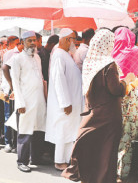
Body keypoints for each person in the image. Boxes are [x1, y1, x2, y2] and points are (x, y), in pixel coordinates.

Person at [62, 29, 135, 183]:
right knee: (107, 151)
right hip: (108, 115)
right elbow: (115, 90)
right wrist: (126, 81)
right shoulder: (108, 64)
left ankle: (88, 177)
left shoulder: (91, 61)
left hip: (93, 112)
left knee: (93, 149)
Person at [6, 31, 47, 173]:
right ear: (22, 43)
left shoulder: (37, 57)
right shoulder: (17, 59)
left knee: (38, 128)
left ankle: (35, 158)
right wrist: (20, 103)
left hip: (39, 99)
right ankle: (21, 161)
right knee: (25, 130)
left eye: (34, 40)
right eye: (29, 41)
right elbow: (15, 83)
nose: (33, 43)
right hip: (26, 101)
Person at [45, 28, 83, 171]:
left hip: (71, 102)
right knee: (62, 131)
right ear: (68, 39)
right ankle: (59, 160)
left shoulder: (66, 54)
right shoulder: (59, 55)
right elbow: (58, 79)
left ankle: (66, 160)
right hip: (65, 104)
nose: (75, 42)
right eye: (74, 39)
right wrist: (65, 102)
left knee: (69, 131)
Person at [112, 27, 138, 181]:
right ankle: (121, 173)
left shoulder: (111, 55)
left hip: (117, 100)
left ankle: (109, 171)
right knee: (127, 138)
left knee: (113, 137)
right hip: (134, 100)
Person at [0, 35, 21, 152]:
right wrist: (7, 89)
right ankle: (8, 142)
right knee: (8, 116)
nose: (18, 46)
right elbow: (5, 72)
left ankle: (17, 143)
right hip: (9, 89)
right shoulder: (9, 54)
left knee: (18, 117)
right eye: (16, 43)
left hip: (19, 90)